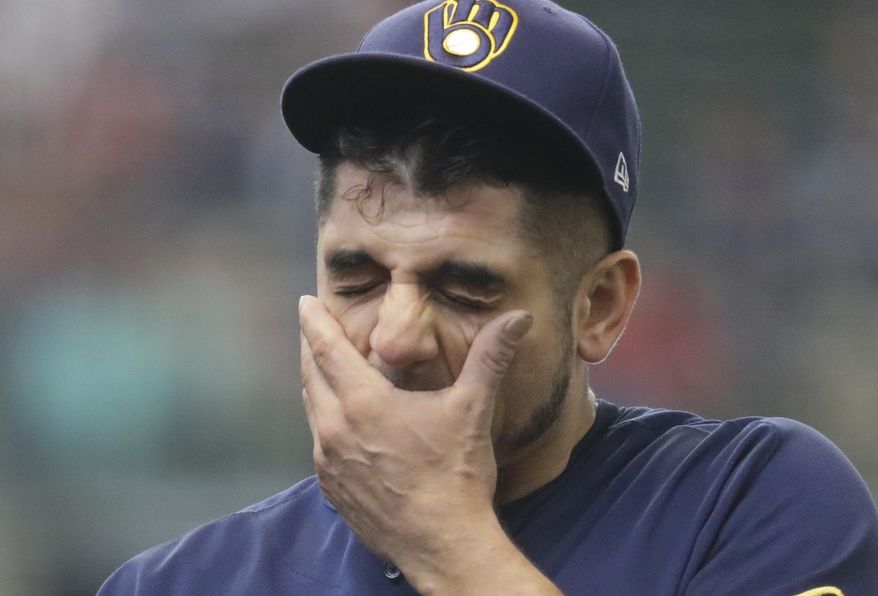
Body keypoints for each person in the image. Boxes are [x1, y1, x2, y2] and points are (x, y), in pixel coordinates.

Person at [98, 1, 878, 594]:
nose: (396, 337)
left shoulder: (753, 502)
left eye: (466, 287)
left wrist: (443, 540)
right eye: (357, 280)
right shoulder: (184, 582)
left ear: (601, 306)